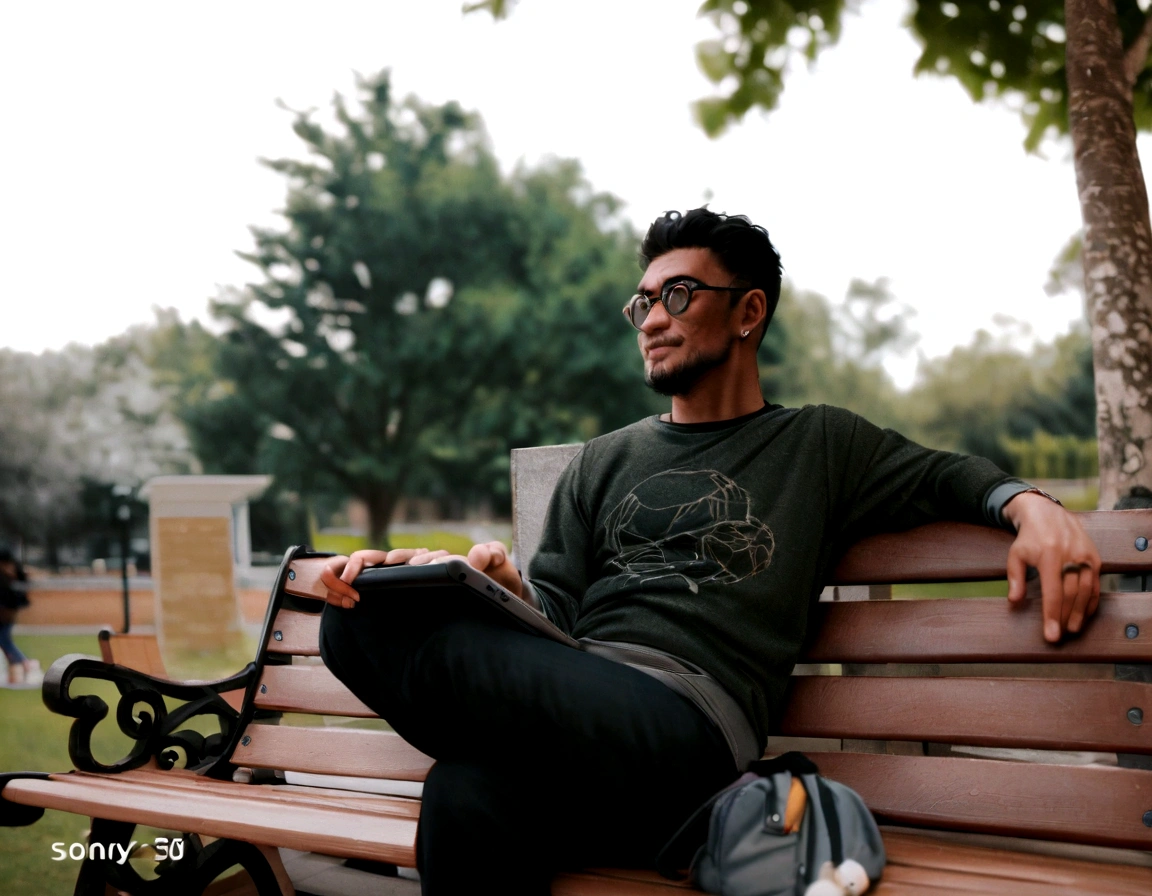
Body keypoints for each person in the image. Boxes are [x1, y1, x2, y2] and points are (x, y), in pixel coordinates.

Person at [317, 208, 1101, 895]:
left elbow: (944, 477)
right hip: (589, 726)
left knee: (371, 637)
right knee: (451, 771)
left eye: (678, 295)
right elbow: (554, 615)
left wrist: (1033, 507)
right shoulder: (603, 461)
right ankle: (666, 822)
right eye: (643, 302)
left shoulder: (817, 444)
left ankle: (692, 811)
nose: (652, 318)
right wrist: (499, 586)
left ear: (748, 312)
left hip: (689, 724)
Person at [0, 547, 40, 688]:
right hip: (6, 609)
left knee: (4, 640)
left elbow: (15, 595)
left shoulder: (11, 574)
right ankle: (20, 667)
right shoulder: (10, 573)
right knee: (4, 640)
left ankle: (25, 664)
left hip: (7, 610)